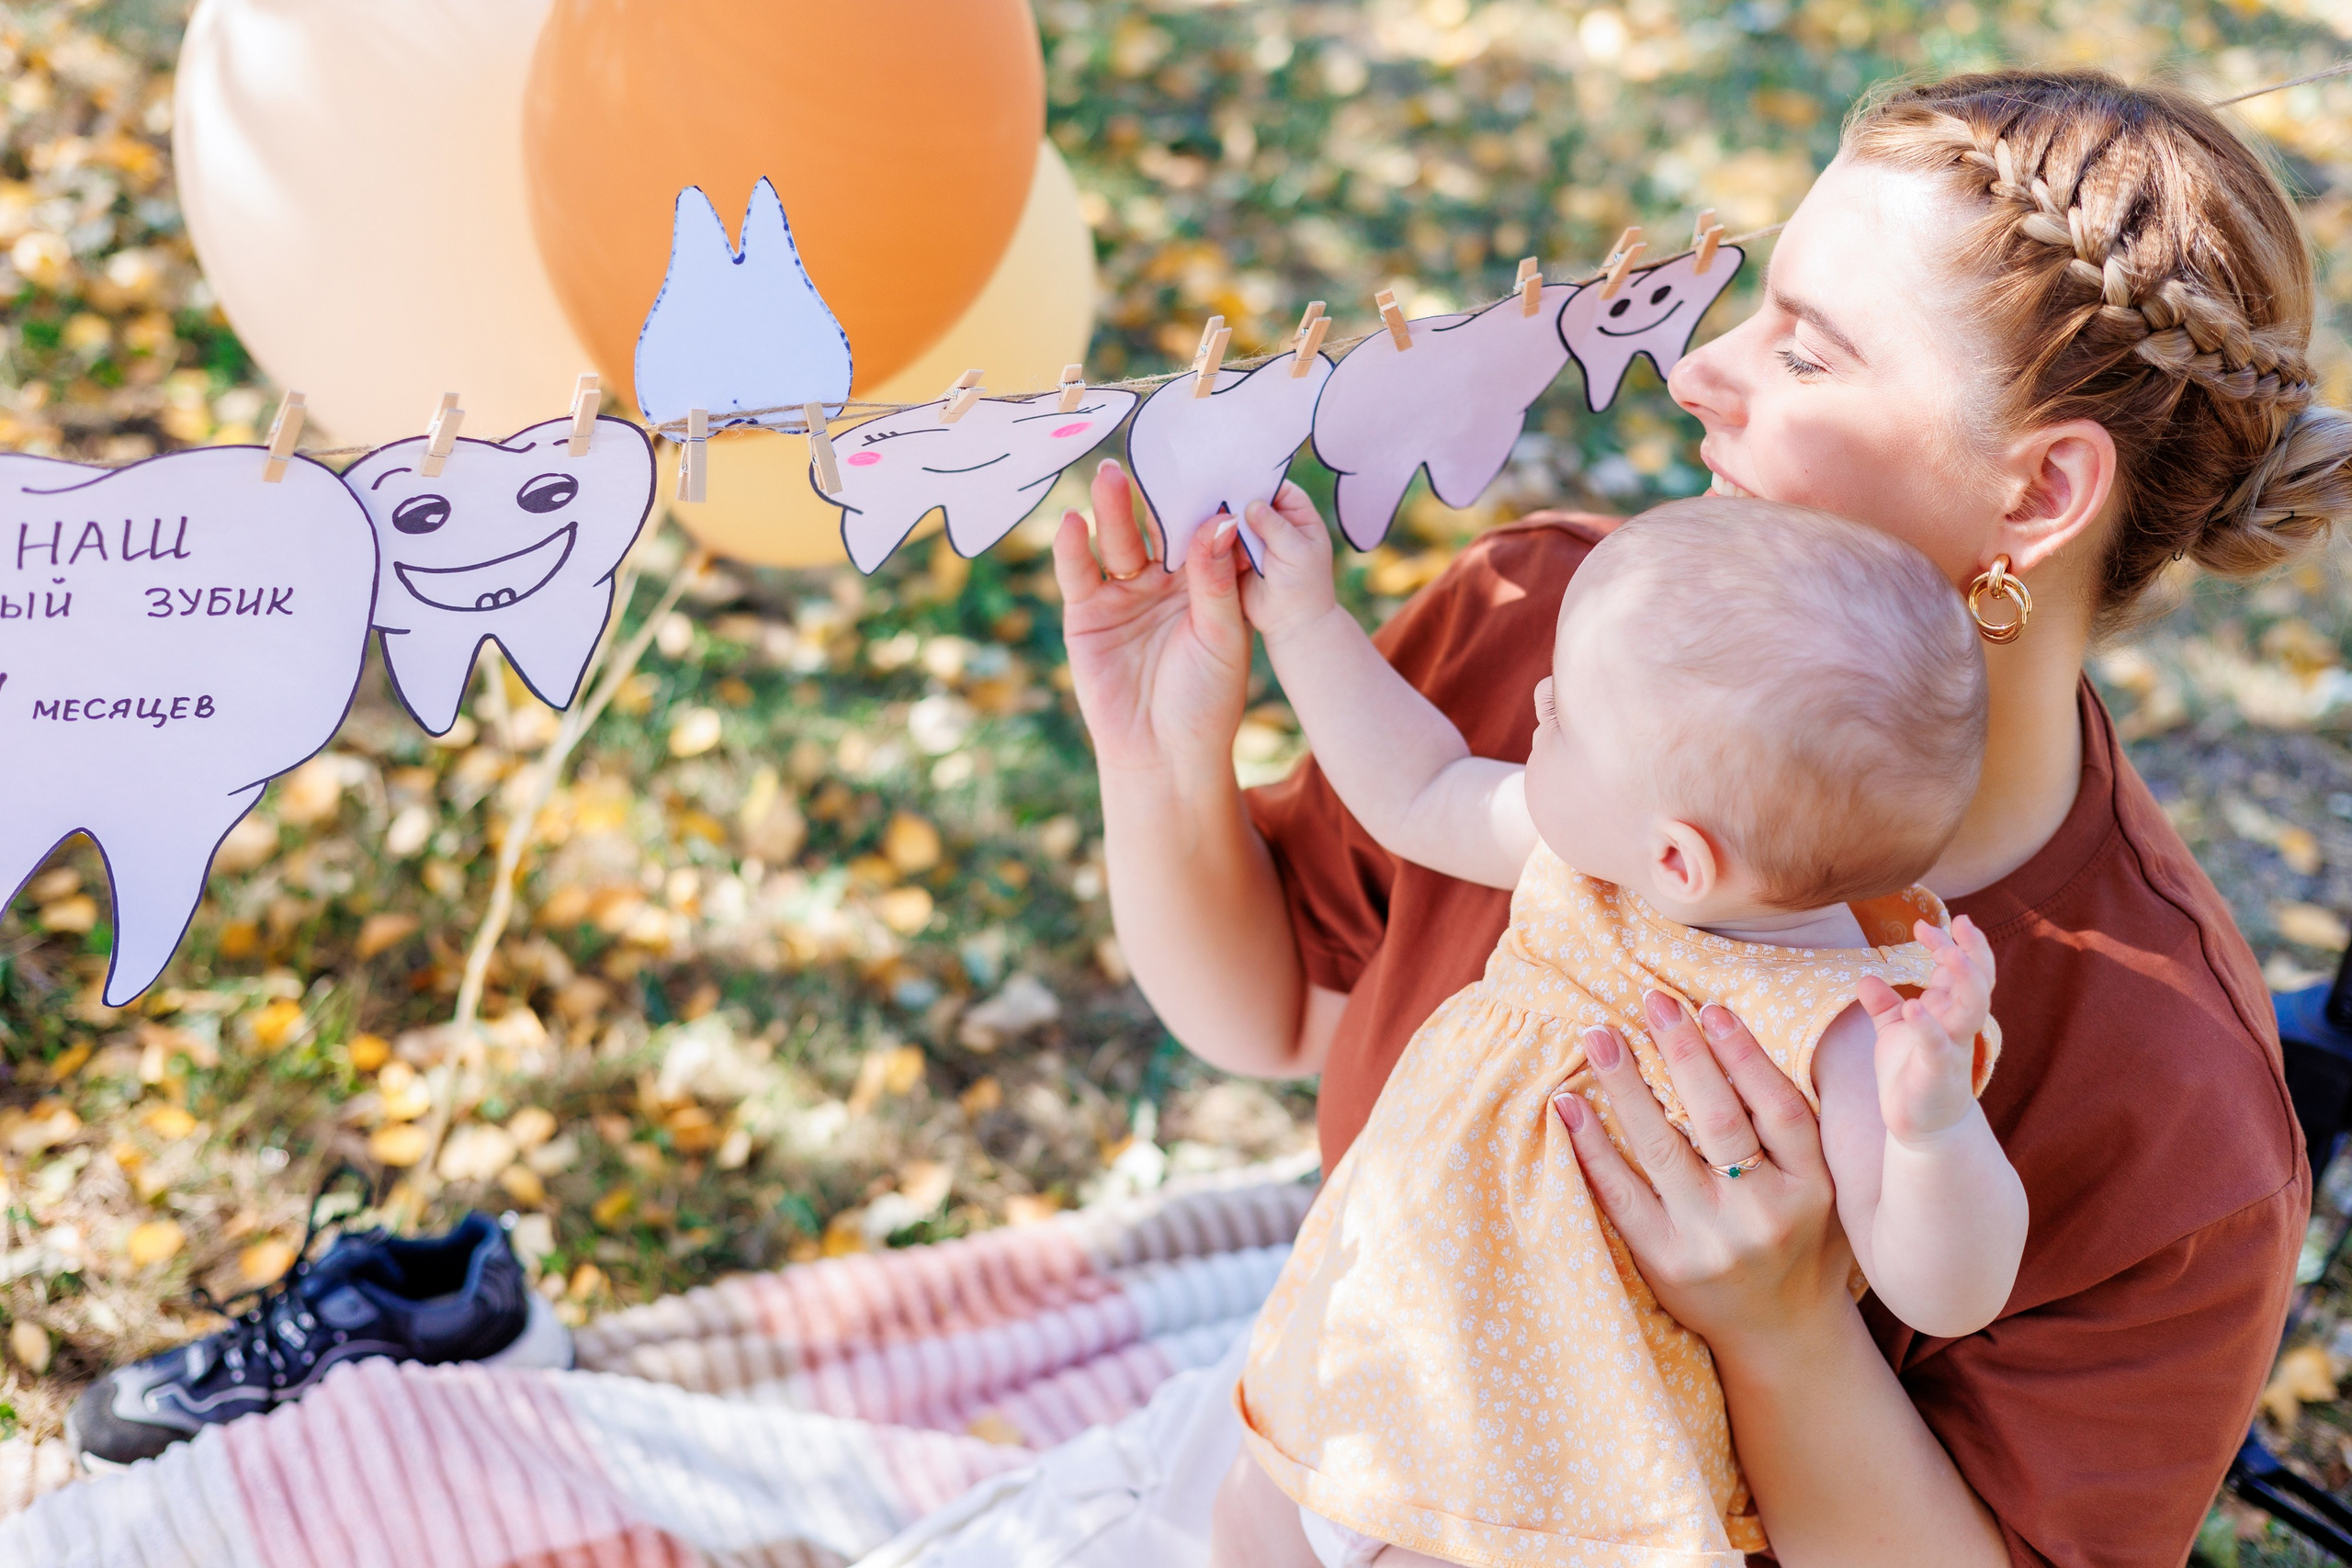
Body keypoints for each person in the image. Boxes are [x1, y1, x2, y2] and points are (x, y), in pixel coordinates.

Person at [1051, 67, 2352, 1565]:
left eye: (1805, 352)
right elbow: (1277, 1013)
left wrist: (1787, 1324)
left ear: (2041, 488)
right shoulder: (1560, 644)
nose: (1696, 372)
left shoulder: (2165, 1091)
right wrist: (1154, 754)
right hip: (1348, 1432)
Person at [1206, 499, 2022, 1567]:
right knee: (1246, 1522)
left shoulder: (1845, 1026)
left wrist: (1933, 1132)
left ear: (1679, 858)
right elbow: (1414, 790)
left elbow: (1945, 1291)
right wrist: (1307, 624)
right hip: (1383, 1353)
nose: (1538, 699)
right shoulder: (1595, 863)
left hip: (1549, 1472)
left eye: (1566, 719)